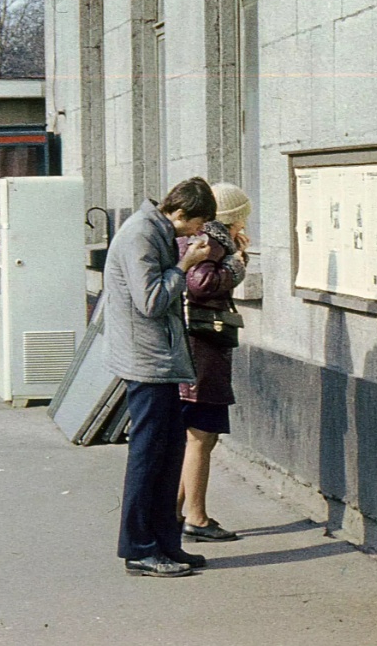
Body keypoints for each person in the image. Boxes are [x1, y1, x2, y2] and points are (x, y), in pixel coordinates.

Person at [105, 177, 216, 577]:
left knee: (168, 454)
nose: (198, 233)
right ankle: (139, 548)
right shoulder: (140, 234)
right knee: (148, 456)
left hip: (159, 359)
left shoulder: (157, 229)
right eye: (197, 224)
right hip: (146, 360)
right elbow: (150, 301)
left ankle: (166, 543)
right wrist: (185, 265)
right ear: (181, 213)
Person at [177, 183, 252, 543]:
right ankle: (197, 517)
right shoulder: (213, 240)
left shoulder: (208, 238)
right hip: (202, 349)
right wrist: (236, 263)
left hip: (198, 349)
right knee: (201, 436)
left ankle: (174, 512)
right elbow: (201, 283)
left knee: (198, 434)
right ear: (233, 218)